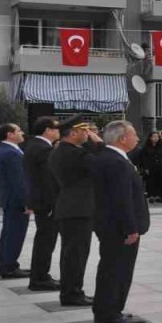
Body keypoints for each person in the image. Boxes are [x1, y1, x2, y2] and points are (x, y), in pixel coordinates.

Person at [89, 120, 148, 323]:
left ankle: (106, 309)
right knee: (117, 270)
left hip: (108, 224)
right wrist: (131, 228)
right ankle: (110, 312)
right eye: (134, 134)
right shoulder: (116, 162)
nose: (137, 138)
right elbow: (122, 199)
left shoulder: (108, 157)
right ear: (123, 138)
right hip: (117, 227)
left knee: (110, 268)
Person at [49, 117, 102, 306]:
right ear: (73, 133)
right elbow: (101, 163)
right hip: (77, 209)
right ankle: (72, 294)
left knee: (72, 254)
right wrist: (99, 144)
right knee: (76, 255)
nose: (88, 134)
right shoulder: (72, 154)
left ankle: (71, 291)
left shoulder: (63, 151)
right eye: (84, 131)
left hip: (71, 207)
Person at [24, 116, 62, 292]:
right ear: (47, 130)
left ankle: (41, 275)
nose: (58, 132)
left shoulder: (35, 145)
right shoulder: (43, 149)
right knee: (46, 241)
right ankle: (39, 279)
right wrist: (53, 204)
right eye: (56, 128)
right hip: (46, 203)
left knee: (44, 240)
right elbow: (48, 181)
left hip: (40, 201)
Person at [0, 123, 29, 278]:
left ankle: (8, 264)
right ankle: (9, 267)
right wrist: (26, 202)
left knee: (9, 232)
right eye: (18, 131)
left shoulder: (6, 149)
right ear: (10, 134)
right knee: (14, 233)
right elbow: (18, 181)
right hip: (15, 199)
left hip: (10, 197)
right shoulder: (10, 153)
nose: (22, 133)